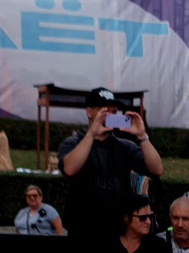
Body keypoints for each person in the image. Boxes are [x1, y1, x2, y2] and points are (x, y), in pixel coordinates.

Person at [58, 90, 162, 231]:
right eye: (105, 112)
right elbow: (69, 169)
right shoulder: (74, 142)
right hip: (81, 228)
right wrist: (92, 134)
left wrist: (142, 136)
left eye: (114, 112)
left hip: (117, 229)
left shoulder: (125, 147)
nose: (110, 116)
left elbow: (157, 169)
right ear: (89, 112)